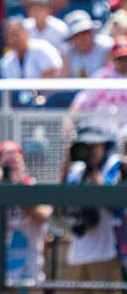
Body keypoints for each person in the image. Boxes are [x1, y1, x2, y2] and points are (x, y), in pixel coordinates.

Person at [61, 126, 125, 294]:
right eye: (87, 145)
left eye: (96, 145)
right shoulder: (77, 169)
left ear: (104, 146)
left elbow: (116, 204)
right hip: (78, 253)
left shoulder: (114, 166)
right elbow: (65, 204)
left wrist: (99, 184)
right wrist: (68, 160)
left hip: (105, 253)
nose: (92, 150)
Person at [0, 141, 53, 286]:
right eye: (7, 162)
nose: (12, 166)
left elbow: (44, 215)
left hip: (30, 271)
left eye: (15, 161)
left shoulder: (32, 186)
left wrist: (20, 194)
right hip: (2, 272)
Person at [70, 35, 127, 116]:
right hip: (101, 126)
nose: (124, 63)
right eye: (120, 59)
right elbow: (83, 99)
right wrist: (69, 119)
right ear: (113, 58)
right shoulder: (101, 76)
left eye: (126, 58)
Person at [60, 10, 113, 78]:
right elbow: (63, 80)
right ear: (72, 39)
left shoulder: (107, 47)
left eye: (85, 32)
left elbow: (111, 76)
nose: (82, 38)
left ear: (92, 32)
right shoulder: (67, 53)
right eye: (77, 35)